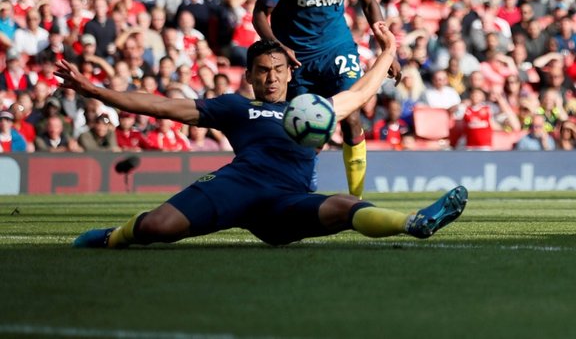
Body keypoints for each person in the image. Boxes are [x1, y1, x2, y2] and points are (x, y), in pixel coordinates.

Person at [65, 24, 466, 249]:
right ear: (250, 75)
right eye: (262, 70)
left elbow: (361, 93)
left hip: (285, 202)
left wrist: (389, 50)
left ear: (290, 73)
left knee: (344, 206)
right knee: (156, 228)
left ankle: (415, 221)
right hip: (236, 185)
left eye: (277, 69)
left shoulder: (312, 110)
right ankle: (113, 237)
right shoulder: (234, 107)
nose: (271, 77)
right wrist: (98, 92)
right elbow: (163, 106)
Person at [253, 0, 401, 199]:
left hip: (338, 48)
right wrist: (279, 48)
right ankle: (301, 192)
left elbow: (369, 1)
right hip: (298, 58)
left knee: (352, 117)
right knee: (305, 132)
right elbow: (259, 14)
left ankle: (356, 199)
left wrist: (386, 46)